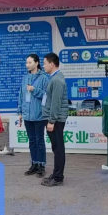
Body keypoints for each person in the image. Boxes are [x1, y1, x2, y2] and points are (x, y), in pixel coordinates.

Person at [17, 54, 50, 178]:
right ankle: (34, 164)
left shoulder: (44, 78)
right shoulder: (25, 78)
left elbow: (47, 96)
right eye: (27, 62)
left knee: (39, 140)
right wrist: (20, 112)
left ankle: (41, 165)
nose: (27, 65)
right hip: (27, 115)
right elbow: (21, 96)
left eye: (30, 62)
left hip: (39, 115)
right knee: (31, 141)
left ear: (37, 63)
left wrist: (34, 90)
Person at [41, 53, 69, 187]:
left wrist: (51, 121)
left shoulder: (57, 80)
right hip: (54, 119)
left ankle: (58, 177)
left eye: (45, 63)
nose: (44, 66)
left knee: (58, 149)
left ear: (52, 64)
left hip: (56, 120)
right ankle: (56, 174)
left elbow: (56, 103)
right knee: (56, 148)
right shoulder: (55, 78)